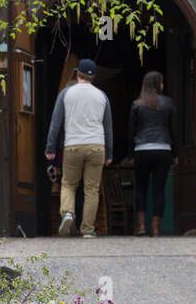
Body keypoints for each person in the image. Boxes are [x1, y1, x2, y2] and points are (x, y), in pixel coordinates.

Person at [45, 58, 113, 237]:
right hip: (97, 146)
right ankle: (88, 230)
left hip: (73, 145)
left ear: (77, 74)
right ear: (94, 77)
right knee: (92, 189)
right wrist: (109, 152)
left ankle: (67, 212)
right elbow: (108, 127)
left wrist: (50, 147)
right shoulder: (102, 96)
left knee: (68, 183)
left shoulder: (66, 94)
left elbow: (55, 123)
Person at [128, 71, 177, 237]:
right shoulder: (168, 103)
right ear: (158, 84)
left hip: (142, 149)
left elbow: (131, 131)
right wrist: (174, 153)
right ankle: (156, 228)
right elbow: (173, 130)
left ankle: (141, 226)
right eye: (161, 82)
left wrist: (130, 154)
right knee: (159, 190)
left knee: (140, 189)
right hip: (163, 149)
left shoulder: (137, 104)